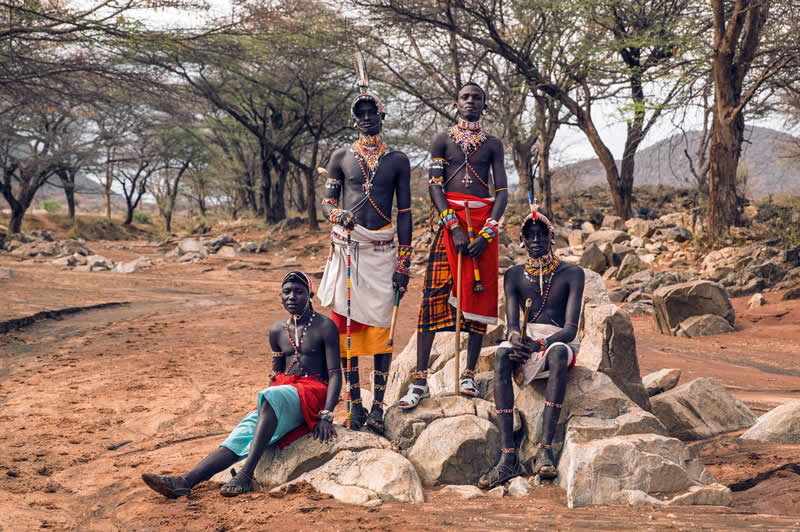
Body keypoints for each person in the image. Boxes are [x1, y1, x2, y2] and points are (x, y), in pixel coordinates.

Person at [141, 271, 342, 498]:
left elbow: (335, 374)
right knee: (244, 430)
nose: (292, 297)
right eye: (286, 292)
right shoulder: (277, 331)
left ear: (310, 295)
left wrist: (326, 415)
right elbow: (276, 373)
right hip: (281, 394)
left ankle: (246, 475)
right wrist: (264, 409)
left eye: (299, 291)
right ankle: (185, 481)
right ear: (280, 296)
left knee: (270, 397)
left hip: (312, 392)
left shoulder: (325, 327)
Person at [398, 82, 508, 409]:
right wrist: (453, 226)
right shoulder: (442, 141)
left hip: (482, 228)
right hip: (450, 226)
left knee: (476, 296)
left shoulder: (493, 144)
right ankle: (420, 381)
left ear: (485, 106)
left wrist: (487, 232)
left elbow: (501, 191)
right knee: (432, 297)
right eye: (465, 97)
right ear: (455, 103)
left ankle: (469, 374)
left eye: (477, 98)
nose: (471, 101)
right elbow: (434, 187)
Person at [318, 73, 412, 433]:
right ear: (353, 118)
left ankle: (379, 406)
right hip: (349, 249)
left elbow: (404, 213)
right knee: (348, 326)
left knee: (382, 330)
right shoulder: (341, 156)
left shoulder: (398, 160)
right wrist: (336, 213)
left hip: (383, 252)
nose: (367, 117)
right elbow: (328, 203)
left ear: (382, 116)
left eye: (372, 111)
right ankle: (354, 403)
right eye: (361, 112)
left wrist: (404, 262)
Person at [477, 210, 584, 489]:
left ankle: (544, 450)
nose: (536, 239)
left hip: (557, 340)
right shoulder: (513, 275)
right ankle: (507, 457)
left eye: (541, 234)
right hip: (527, 338)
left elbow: (571, 329)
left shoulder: (573, 273)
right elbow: (512, 326)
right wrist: (515, 340)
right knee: (501, 355)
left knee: (559, 353)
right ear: (522, 240)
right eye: (529, 235)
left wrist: (541, 345)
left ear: (552, 236)